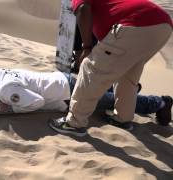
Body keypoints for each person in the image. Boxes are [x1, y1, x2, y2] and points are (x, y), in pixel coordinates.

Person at [49, 0, 173, 136]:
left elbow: (83, 9)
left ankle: (74, 122)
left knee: (90, 68)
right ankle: (122, 119)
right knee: (128, 74)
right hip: (163, 25)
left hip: (135, 22)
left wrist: (87, 47)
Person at [0, 60, 172, 131]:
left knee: (119, 102)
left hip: (71, 93)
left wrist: (11, 108)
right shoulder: (0, 74)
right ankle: (125, 89)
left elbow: (36, 102)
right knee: (111, 94)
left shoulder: (5, 89)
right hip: (64, 81)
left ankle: (159, 103)